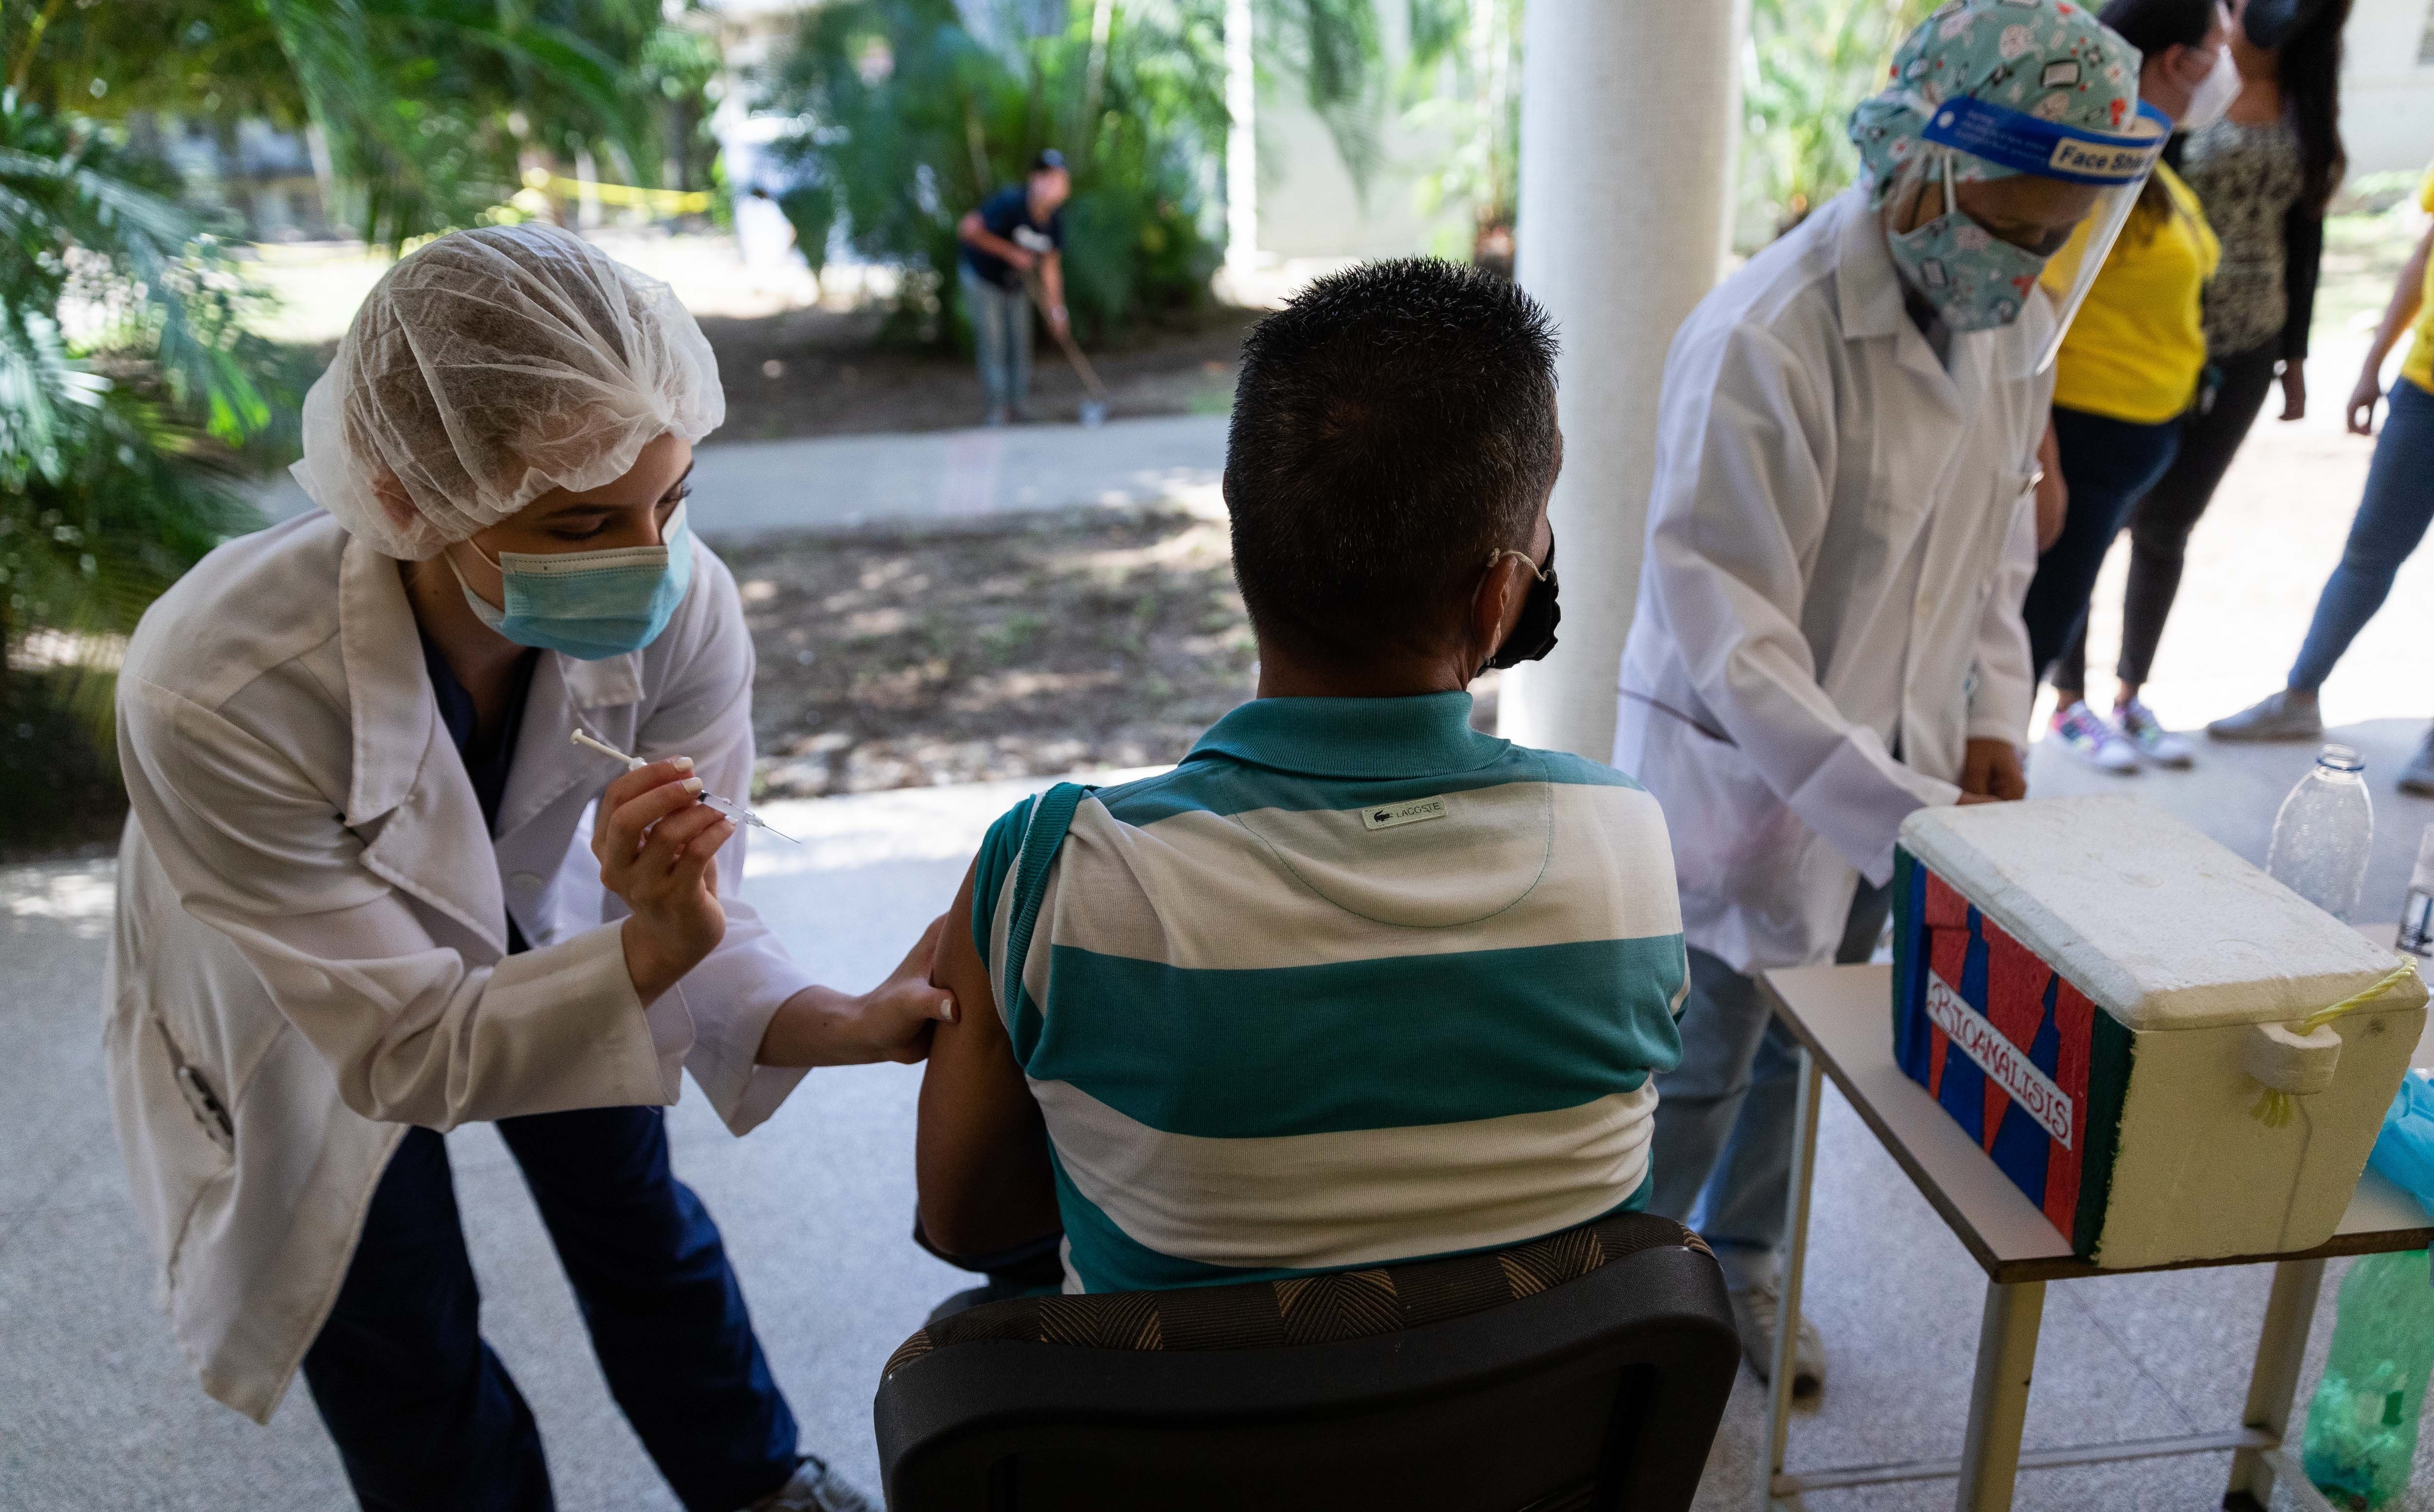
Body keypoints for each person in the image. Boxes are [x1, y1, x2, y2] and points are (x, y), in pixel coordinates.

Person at [105, 225, 952, 1512]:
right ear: (404, 494)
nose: (652, 559)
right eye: (582, 519)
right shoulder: (218, 687)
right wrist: (647, 948)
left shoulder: (688, 604)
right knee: (393, 1305)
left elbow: (681, 899)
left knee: (633, 1209)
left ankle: (759, 1481)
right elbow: (402, 1047)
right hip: (297, 981)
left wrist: (820, 1016)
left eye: (672, 501)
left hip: (544, 923)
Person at [910, 259, 1692, 1296]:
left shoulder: (1053, 872)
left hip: (1188, 1450)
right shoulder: (1624, 842)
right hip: (1526, 1456)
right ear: (1501, 593)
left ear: (1242, 524)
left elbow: (969, 1224)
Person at [1615, 0, 2160, 1396]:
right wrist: (1901, 807)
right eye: (2018, 223)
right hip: (1750, 788)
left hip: (1898, 787)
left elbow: (1989, 549)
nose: (2033, 262)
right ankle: (1615, 1310)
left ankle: (1743, 1266)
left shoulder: (2000, 334)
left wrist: (1989, 717)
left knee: (1806, 1046)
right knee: (1696, 1068)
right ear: (1922, 164)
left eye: (2057, 236)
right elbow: (1732, 635)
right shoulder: (1766, 339)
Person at [2088, 0, 2353, 747]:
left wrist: (2297, 357)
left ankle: (2131, 692)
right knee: (2102, 506)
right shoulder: (2186, 68)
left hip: (2249, 342)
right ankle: (2066, 699)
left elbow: (2304, 230)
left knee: (2169, 524)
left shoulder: (2309, 88)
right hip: (2151, 336)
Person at [2022, 0, 2231, 772]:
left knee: (2048, 617)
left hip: (2131, 440)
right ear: (2178, 61)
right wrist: (2044, 464)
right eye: (2219, 51)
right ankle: (1976, 798)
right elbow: (2030, 314)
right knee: (2033, 631)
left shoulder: (2151, 166)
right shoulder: (2095, 170)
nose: (2229, 67)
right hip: (2079, 438)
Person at [2202, 166, 2434, 791]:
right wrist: (2372, 363)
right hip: (2423, 389)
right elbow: (2424, 253)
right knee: (2368, 551)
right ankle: (2298, 699)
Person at [956, 150, 1073, 425]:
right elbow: (967, 229)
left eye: (1058, 179)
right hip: (983, 277)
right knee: (993, 340)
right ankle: (997, 410)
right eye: (1045, 177)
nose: (1051, 184)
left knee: (1020, 340)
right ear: (1033, 180)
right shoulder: (1010, 203)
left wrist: (1057, 312)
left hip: (1015, 282)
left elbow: (1051, 268)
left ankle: (1019, 407)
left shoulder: (1055, 222)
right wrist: (1010, 252)